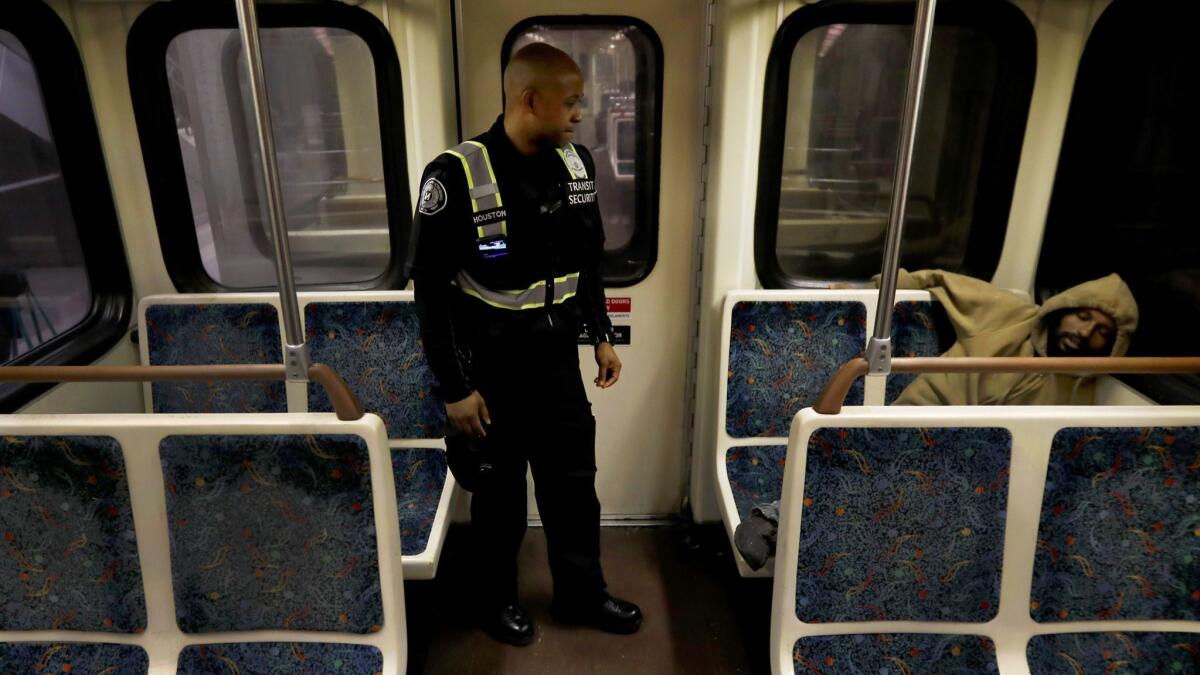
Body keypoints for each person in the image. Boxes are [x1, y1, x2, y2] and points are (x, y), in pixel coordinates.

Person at [410, 43, 641, 645]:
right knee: (500, 500)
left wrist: (602, 337)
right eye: (570, 102)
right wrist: (455, 389)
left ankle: (582, 594)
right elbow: (430, 294)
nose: (579, 115)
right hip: (489, 369)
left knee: (572, 489)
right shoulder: (455, 175)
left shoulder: (576, 164)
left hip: (557, 362)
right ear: (528, 99)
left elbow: (588, 262)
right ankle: (496, 601)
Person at [733, 269, 1140, 569]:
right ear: (1062, 309)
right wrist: (872, 291)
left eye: (1102, 331)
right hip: (921, 422)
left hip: (979, 466)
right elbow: (939, 282)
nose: (1086, 334)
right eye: (1083, 317)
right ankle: (772, 518)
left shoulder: (1083, 396)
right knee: (863, 469)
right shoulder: (1008, 314)